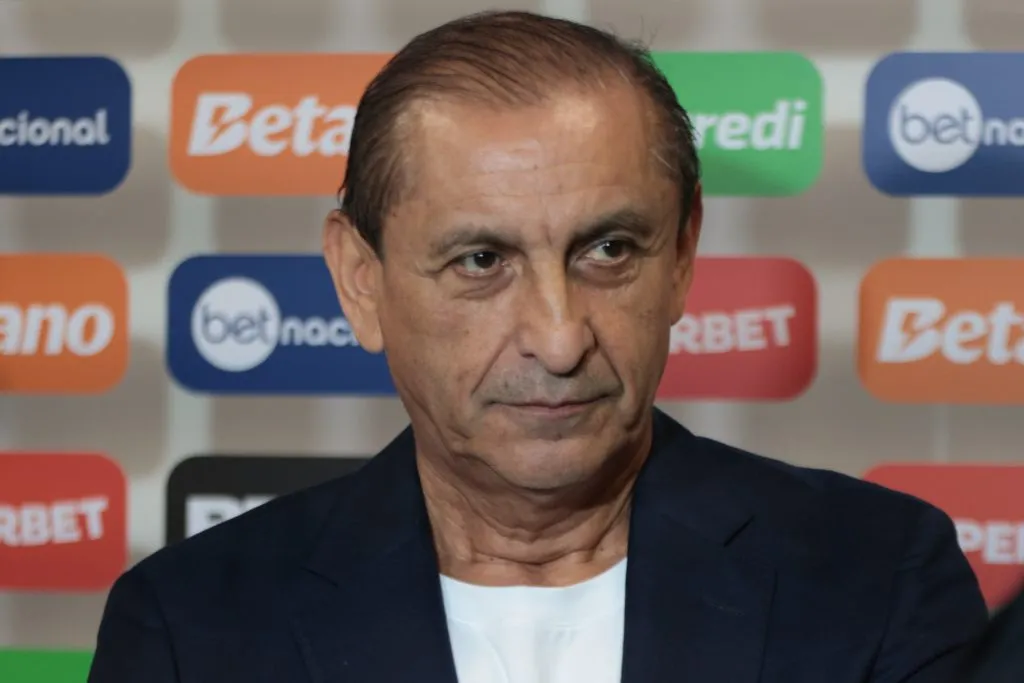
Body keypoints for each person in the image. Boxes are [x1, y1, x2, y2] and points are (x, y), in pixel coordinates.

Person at [88, 10, 988, 683]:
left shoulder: (878, 576)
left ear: (680, 258)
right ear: (361, 282)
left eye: (608, 250)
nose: (560, 339)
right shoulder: (190, 625)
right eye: (482, 260)